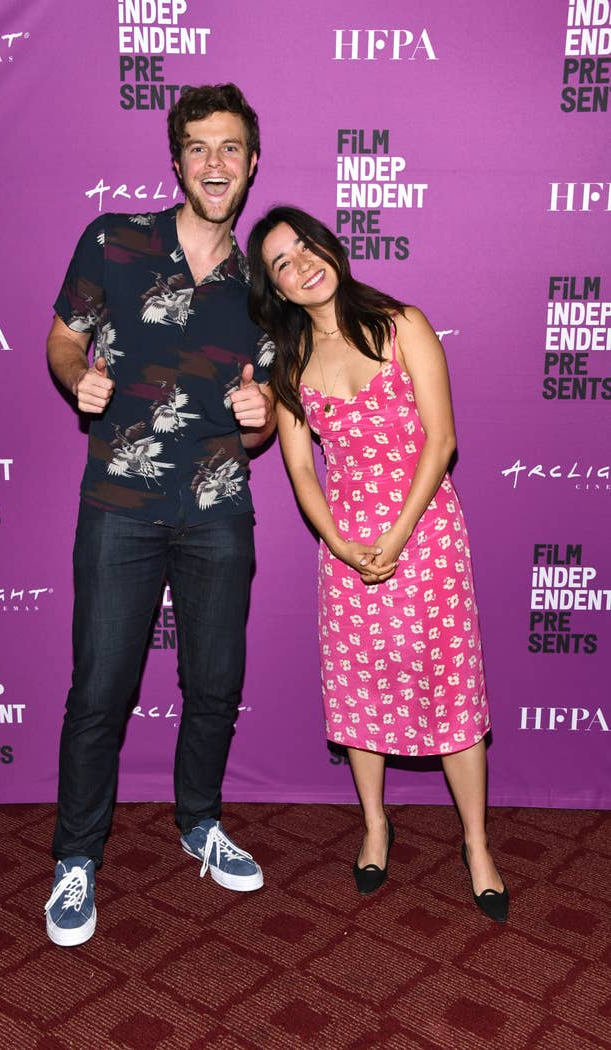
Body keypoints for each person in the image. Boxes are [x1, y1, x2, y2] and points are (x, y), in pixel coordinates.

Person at [43, 84, 276, 947]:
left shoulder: (263, 285)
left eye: (230, 148)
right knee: (100, 690)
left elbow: (265, 414)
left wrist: (264, 420)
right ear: (176, 160)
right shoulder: (114, 240)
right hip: (120, 506)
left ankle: (201, 822)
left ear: (253, 164)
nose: (215, 164)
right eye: (198, 148)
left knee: (214, 687)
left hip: (218, 509)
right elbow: (65, 336)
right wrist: (79, 377)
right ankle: (75, 860)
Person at [247, 206, 508, 922]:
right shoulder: (291, 357)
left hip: (424, 536)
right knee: (362, 688)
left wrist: (398, 537)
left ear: (329, 248)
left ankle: (477, 845)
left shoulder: (403, 324)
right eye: (281, 264)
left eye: (305, 247)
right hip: (345, 545)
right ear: (276, 289)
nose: (301, 265)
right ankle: (374, 825)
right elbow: (300, 467)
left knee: (451, 686)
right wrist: (336, 540)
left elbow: (443, 440)